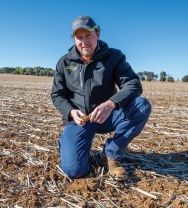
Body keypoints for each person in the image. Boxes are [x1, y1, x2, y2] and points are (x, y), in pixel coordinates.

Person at [51, 16, 151, 180]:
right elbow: (57, 94)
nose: (84, 42)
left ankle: (111, 154)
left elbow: (133, 84)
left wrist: (112, 103)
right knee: (74, 171)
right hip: (79, 120)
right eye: (79, 37)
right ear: (74, 38)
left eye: (88, 35)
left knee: (141, 106)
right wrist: (70, 112)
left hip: (107, 115)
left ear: (97, 33)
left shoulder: (114, 57)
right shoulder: (64, 62)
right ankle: (68, 144)